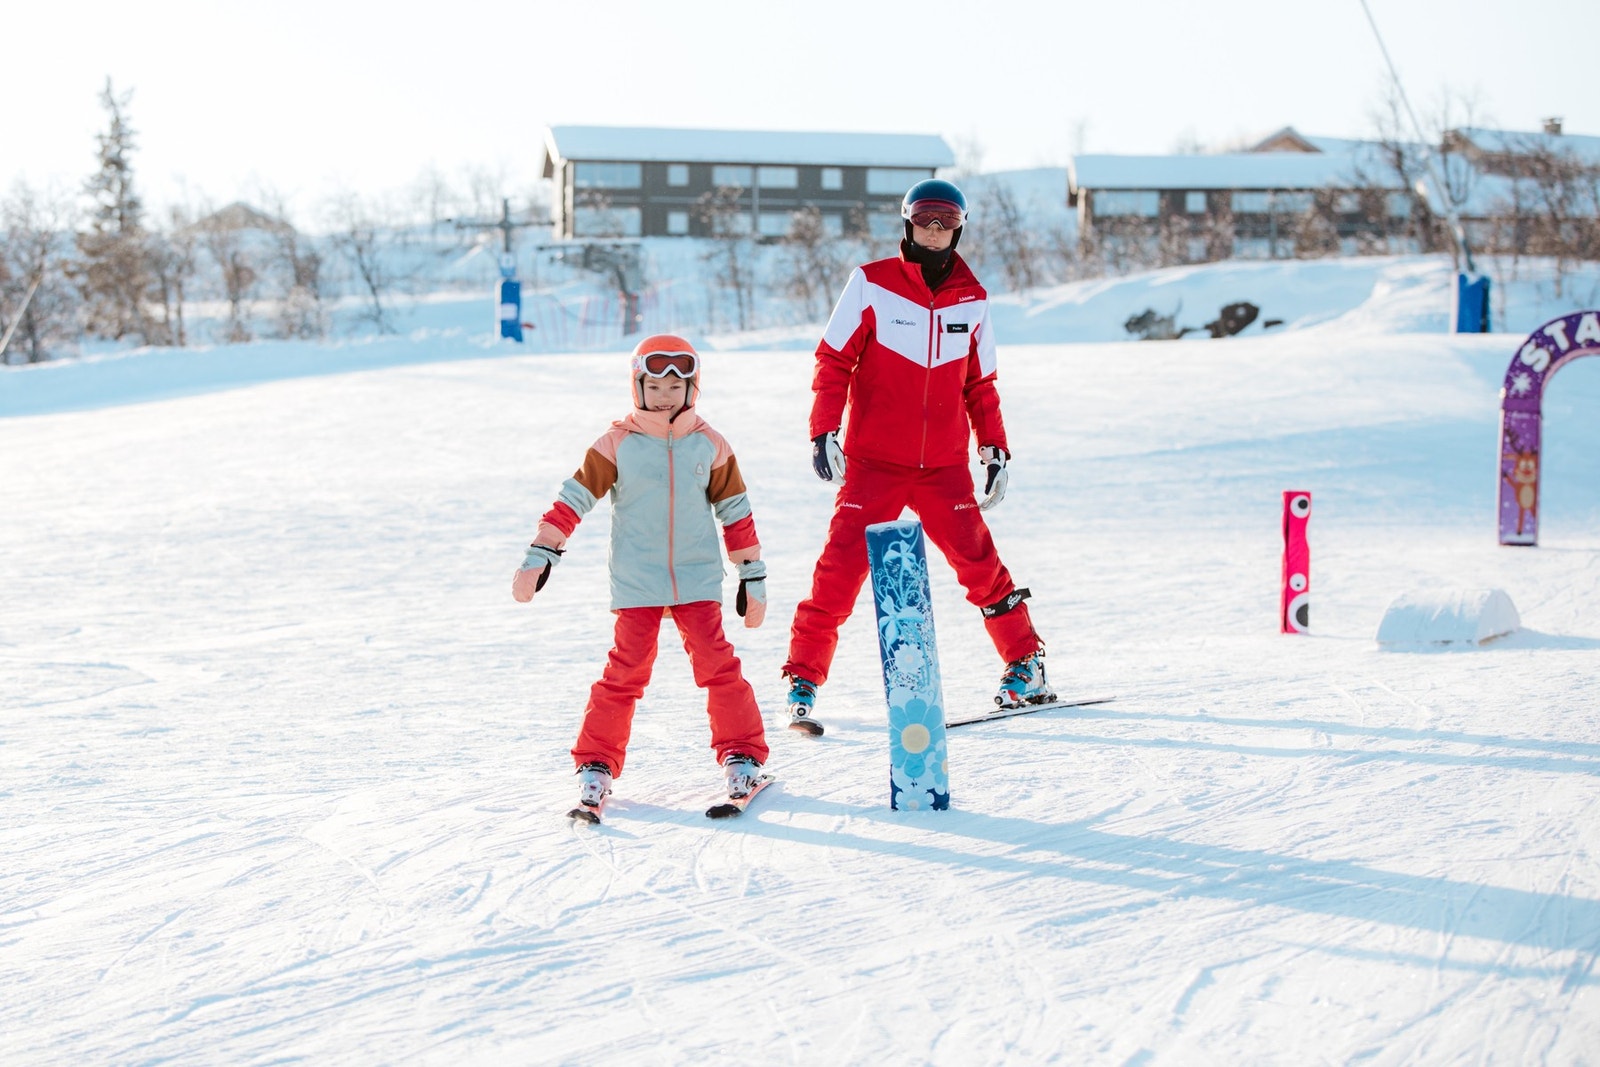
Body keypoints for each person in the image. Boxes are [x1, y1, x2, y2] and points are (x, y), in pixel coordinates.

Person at [781, 178, 1053, 736]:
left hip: (944, 468)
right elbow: (833, 360)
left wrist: (995, 448)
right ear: (907, 222)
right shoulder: (871, 283)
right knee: (840, 570)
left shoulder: (971, 296)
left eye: (947, 220)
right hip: (875, 461)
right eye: (926, 218)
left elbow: (981, 383)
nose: (935, 229)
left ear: (959, 227)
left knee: (981, 566)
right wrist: (823, 429)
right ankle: (802, 679)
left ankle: (1026, 662)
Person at [512, 334, 770, 816]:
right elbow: (574, 498)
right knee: (625, 672)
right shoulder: (617, 444)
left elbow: (736, 512)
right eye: (655, 385)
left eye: (677, 386)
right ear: (638, 387)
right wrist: (544, 549)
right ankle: (596, 764)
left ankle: (743, 755)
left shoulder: (710, 444)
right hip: (637, 580)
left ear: (693, 389)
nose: (666, 395)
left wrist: (751, 574)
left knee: (718, 665)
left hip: (696, 578)